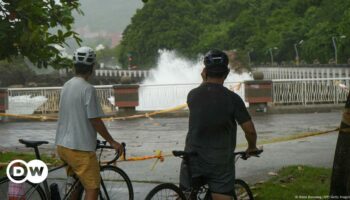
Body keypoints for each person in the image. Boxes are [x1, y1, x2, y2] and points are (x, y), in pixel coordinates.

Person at [180, 50, 259, 200]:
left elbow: (204, 93)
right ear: (227, 73)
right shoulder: (233, 99)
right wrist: (252, 146)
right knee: (221, 195)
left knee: (185, 195)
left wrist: (204, 80)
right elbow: (250, 131)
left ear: (204, 72)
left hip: (192, 157)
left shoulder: (192, 95)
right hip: (220, 161)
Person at [55, 46, 123, 200]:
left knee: (77, 183)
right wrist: (112, 142)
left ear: (74, 66)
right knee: (92, 187)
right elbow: (95, 120)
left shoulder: (66, 86)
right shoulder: (88, 89)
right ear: (92, 67)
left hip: (63, 146)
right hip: (80, 149)